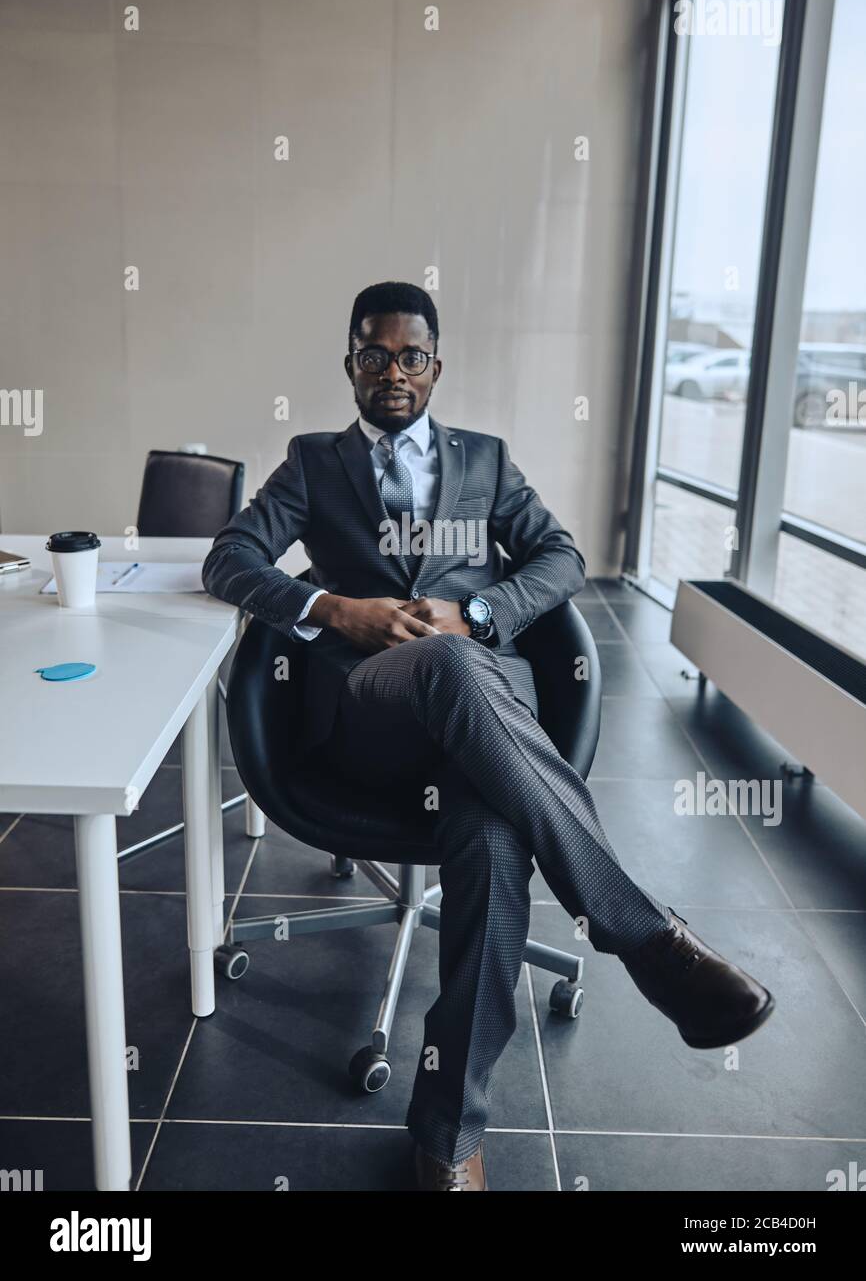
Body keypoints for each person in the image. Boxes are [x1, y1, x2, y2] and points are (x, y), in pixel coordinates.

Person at [201, 280, 775, 1192]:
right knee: (448, 668)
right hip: (371, 708)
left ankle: (447, 1136)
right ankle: (644, 937)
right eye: (374, 354)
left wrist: (472, 609)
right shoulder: (312, 462)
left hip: (480, 727)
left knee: (497, 834)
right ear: (350, 364)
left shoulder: (488, 461)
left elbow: (561, 559)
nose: (394, 372)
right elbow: (227, 557)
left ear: (437, 366)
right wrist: (336, 608)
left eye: (411, 355)